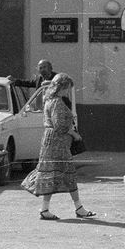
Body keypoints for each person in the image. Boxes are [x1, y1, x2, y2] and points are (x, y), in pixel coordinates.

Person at [20, 72, 94, 220]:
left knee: (51, 175)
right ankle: (78, 208)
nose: (67, 91)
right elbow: (60, 126)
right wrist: (75, 134)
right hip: (58, 143)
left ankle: (46, 209)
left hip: (50, 142)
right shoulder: (57, 103)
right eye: (67, 88)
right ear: (62, 87)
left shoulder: (49, 100)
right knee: (68, 174)